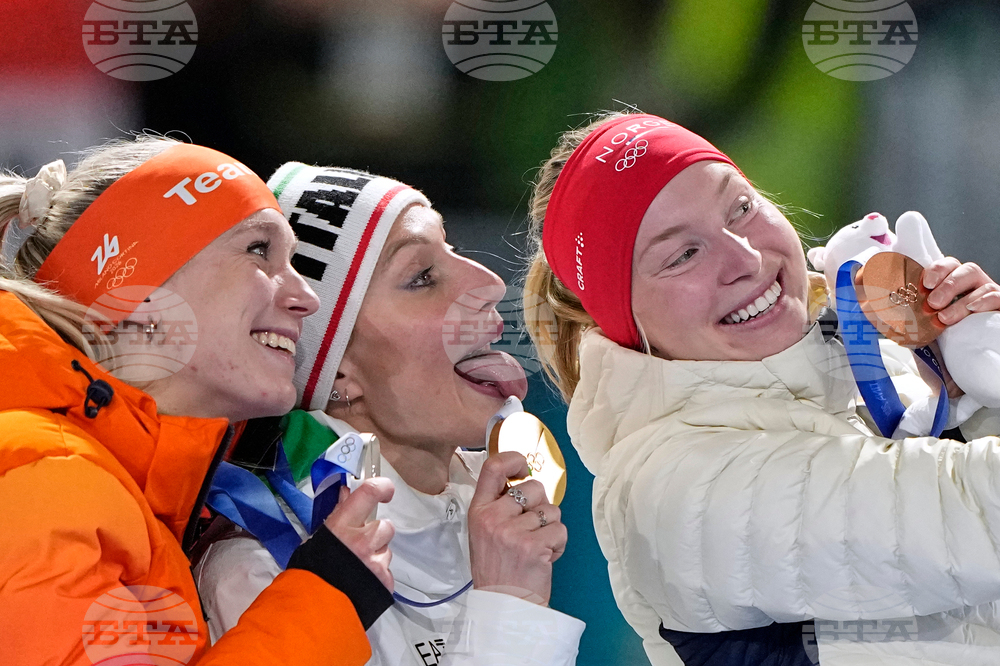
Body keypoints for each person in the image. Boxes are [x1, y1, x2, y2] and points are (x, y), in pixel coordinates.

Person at [523, 112, 1000, 666]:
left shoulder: (876, 355)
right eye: (682, 255)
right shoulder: (667, 487)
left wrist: (974, 379)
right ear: (622, 320)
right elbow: (970, 517)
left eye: (741, 208)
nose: (745, 260)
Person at [0, 139, 399, 666]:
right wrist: (324, 600)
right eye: (259, 249)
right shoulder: (50, 476)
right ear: (139, 295)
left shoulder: (110, 490)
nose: (306, 296)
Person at [193, 163, 585, 665]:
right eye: (422, 277)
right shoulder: (263, 571)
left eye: (454, 249)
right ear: (337, 376)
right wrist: (509, 607)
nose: (487, 282)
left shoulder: (496, 516)